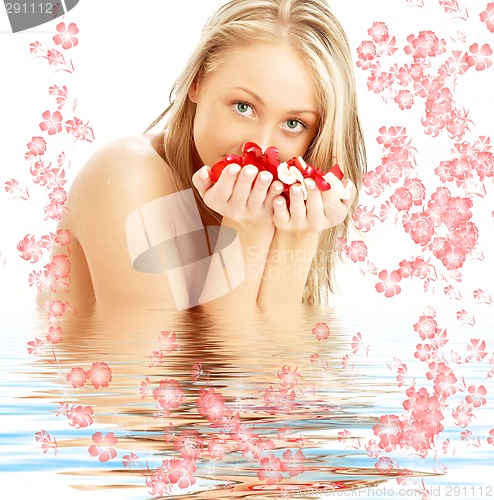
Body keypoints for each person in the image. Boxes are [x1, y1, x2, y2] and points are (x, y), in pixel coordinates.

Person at [37, 0, 366, 313]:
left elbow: (272, 365)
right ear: (197, 82)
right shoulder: (127, 176)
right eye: (244, 107)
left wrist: (298, 238)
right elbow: (174, 368)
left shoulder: (286, 209)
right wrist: (245, 230)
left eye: (293, 124)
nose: (261, 148)